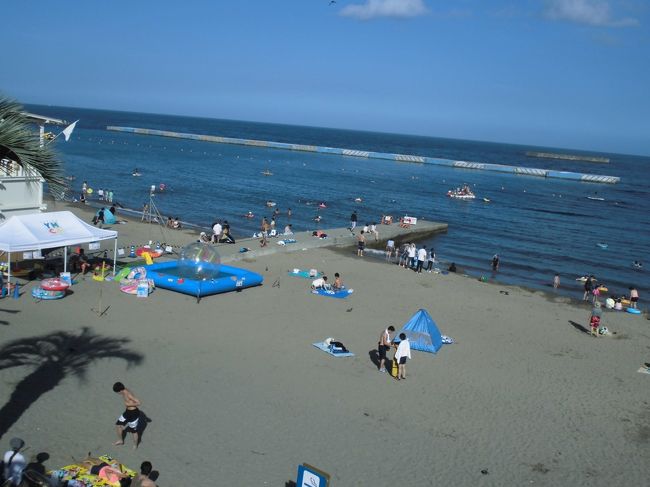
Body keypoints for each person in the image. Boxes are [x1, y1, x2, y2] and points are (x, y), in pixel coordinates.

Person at [113, 381, 142, 448]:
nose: (118, 394)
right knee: (118, 425)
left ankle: (135, 445)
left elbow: (139, 402)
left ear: (120, 390)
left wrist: (129, 404)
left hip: (134, 414)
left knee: (133, 431)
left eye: (117, 392)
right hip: (127, 412)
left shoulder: (128, 394)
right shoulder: (123, 390)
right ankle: (121, 440)